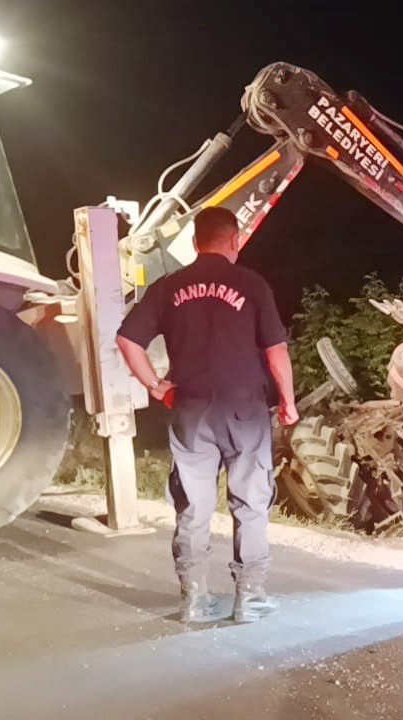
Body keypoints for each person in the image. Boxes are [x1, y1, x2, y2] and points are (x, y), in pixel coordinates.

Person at [116, 207, 299, 624]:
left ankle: (195, 600)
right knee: (250, 502)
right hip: (244, 409)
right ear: (234, 240)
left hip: (191, 408)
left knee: (194, 506)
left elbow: (128, 339)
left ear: (195, 242)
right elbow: (276, 351)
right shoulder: (252, 284)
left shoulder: (169, 286)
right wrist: (288, 401)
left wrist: (155, 386)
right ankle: (249, 598)